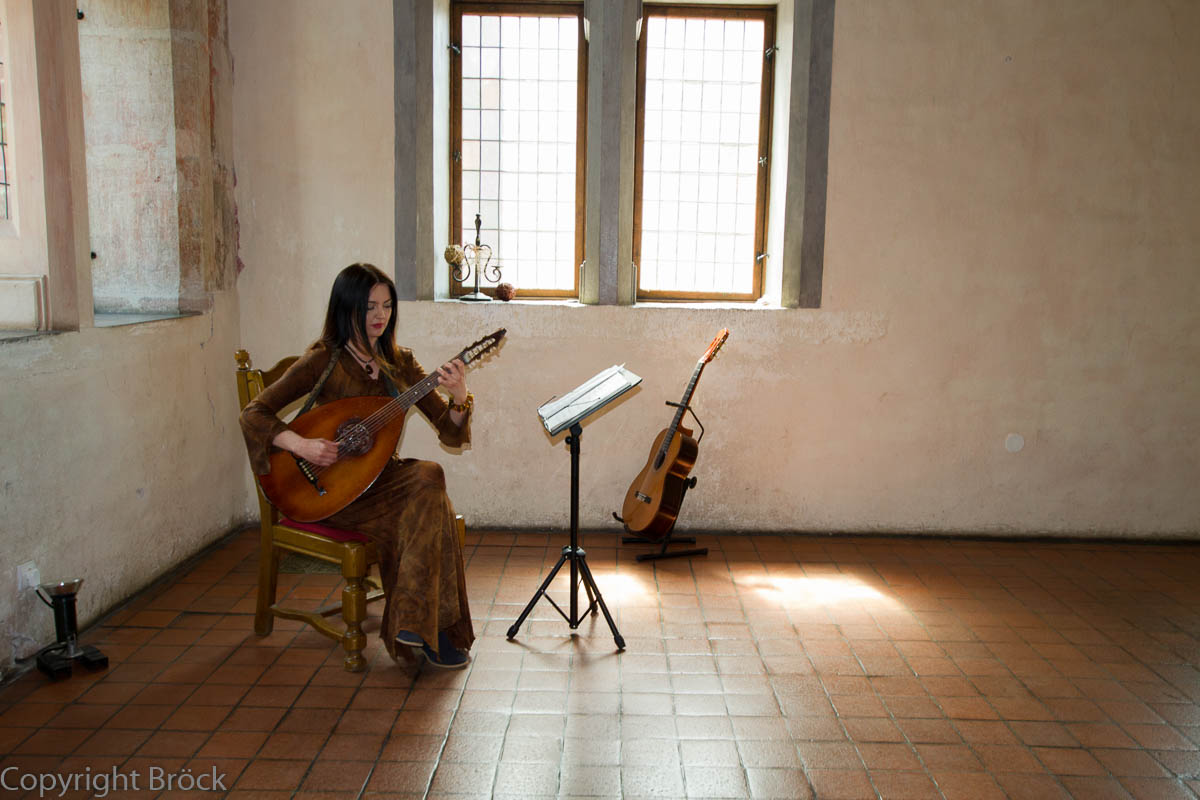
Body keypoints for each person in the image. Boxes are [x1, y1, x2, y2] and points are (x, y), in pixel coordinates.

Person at [240, 263, 474, 669]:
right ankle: (430, 631)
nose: (379, 316)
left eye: (386, 306)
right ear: (346, 307)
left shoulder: (400, 363)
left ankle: (413, 626)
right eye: (369, 307)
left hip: (379, 482)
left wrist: (458, 397)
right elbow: (254, 414)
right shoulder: (322, 360)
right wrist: (301, 445)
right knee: (434, 510)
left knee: (429, 477)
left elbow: (449, 432)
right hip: (331, 489)